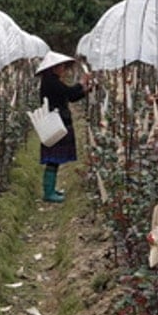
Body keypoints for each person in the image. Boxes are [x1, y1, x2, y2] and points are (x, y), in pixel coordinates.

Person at [36, 51, 92, 203]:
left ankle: (51, 189)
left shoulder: (51, 80)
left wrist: (85, 90)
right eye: (61, 66)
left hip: (58, 121)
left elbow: (71, 97)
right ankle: (48, 193)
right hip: (55, 124)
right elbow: (68, 92)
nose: (63, 69)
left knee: (54, 158)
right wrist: (81, 82)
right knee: (53, 158)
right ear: (53, 68)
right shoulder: (50, 82)